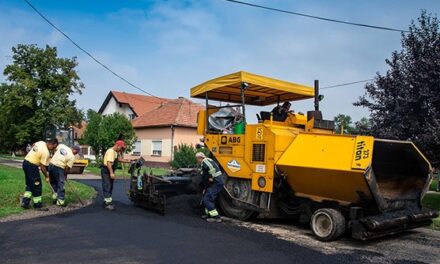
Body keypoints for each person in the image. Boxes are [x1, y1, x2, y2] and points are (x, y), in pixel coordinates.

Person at [21, 138, 58, 210]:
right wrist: (47, 176)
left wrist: (35, 153)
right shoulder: (46, 152)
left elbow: (33, 144)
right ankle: (37, 204)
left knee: (30, 183)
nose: (53, 149)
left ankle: (25, 202)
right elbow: (42, 167)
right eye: (53, 147)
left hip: (25, 163)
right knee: (37, 185)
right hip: (32, 166)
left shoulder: (41, 142)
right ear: (51, 144)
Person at [101, 140, 130, 211]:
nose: (121, 149)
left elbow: (119, 159)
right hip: (107, 170)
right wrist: (111, 173)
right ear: (118, 146)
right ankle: (107, 204)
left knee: (110, 185)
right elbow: (108, 163)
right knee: (107, 185)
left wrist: (127, 161)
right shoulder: (110, 151)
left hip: (110, 170)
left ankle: (107, 200)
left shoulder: (115, 152)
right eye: (121, 148)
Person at [196, 152, 225, 223]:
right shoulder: (207, 161)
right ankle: (209, 214)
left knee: (207, 199)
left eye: (197, 159)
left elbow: (211, 168)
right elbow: (205, 172)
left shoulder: (205, 161)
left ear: (200, 158)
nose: (197, 160)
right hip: (214, 183)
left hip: (216, 182)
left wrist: (211, 177)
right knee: (206, 197)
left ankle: (216, 217)